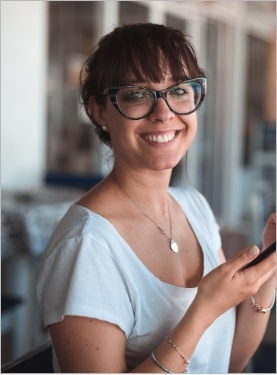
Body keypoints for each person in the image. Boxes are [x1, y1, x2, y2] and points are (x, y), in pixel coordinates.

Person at [37, 23, 276, 373]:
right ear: (100, 111)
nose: (164, 114)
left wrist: (267, 274)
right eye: (136, 94)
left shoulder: (194, 206)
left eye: (179, 90)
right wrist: (203, 311)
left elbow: (230, 361)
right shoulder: (86, 247)